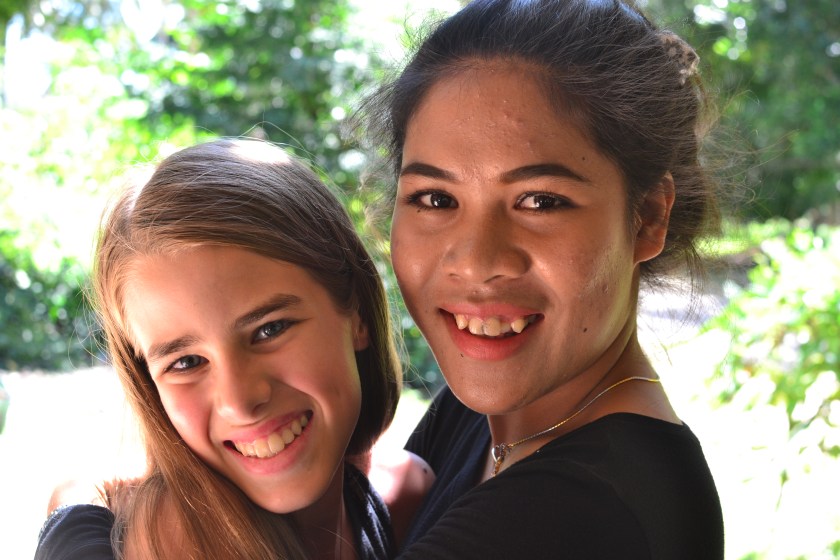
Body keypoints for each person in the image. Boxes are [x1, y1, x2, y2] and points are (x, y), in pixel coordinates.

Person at [355, 0, 726, 557]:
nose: (476, 262)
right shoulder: (485, 414)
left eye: (540, 201)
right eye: (435, 198)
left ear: (648, 217)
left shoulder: (576, 513)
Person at [35, 138, 406, 559]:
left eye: (269, 330)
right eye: (186, 362)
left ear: (356, 314)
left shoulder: (406, 499)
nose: (240, 402)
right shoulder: (129, 544)